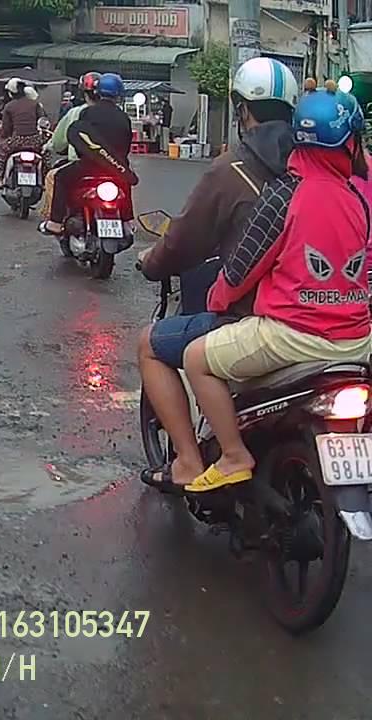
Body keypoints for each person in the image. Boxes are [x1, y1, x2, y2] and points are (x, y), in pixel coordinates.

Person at [155, 89, 372, 492]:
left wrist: (217, 303)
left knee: (195, 358)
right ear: (349, 143)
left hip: (292, 337)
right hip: (356, 342)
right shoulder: (357, 196)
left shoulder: (286, 193)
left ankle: (233, 456)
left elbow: (241, 269)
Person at [134, 59, 300, 489]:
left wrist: (152, 262)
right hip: (333, 320)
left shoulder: (232, 170)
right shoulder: (323, 172)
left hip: (262, 320)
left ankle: (189, 461)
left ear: (242, 110)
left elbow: (183, 241)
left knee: (152, 344)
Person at [37, 72, 134, 235]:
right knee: (126, 180)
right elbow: (126, 145)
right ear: (119, 94)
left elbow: (80, 141)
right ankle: (127, 220)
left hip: (89, 166)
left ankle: (55, 223)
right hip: (116, 167)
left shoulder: (87, 113)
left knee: (60, 178)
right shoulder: (124, 117)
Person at [0, 78, 47, 187]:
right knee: (46, 153)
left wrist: (2, 139)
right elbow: (43, 121)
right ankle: (45, 178)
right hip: (35, 141)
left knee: (1, 152)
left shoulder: (9, 106)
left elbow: (6, 129)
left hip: (17, 142)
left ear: (11, 92)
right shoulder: (35, 104)